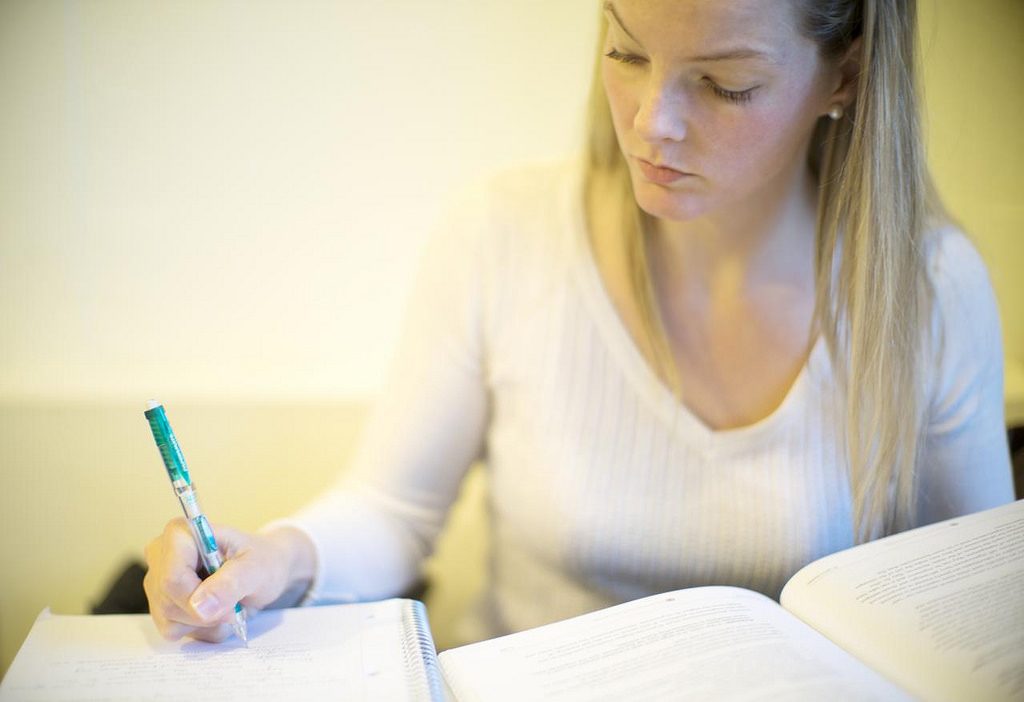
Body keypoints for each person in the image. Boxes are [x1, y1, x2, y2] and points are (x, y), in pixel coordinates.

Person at [143, 0, 1015, 644]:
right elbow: (392, 510)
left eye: (724, 85)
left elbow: (975, 619)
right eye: (627, 53)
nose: (651, 124)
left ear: (847, 76)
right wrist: (283, 556)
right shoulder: (503, 232)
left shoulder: (928, 291)